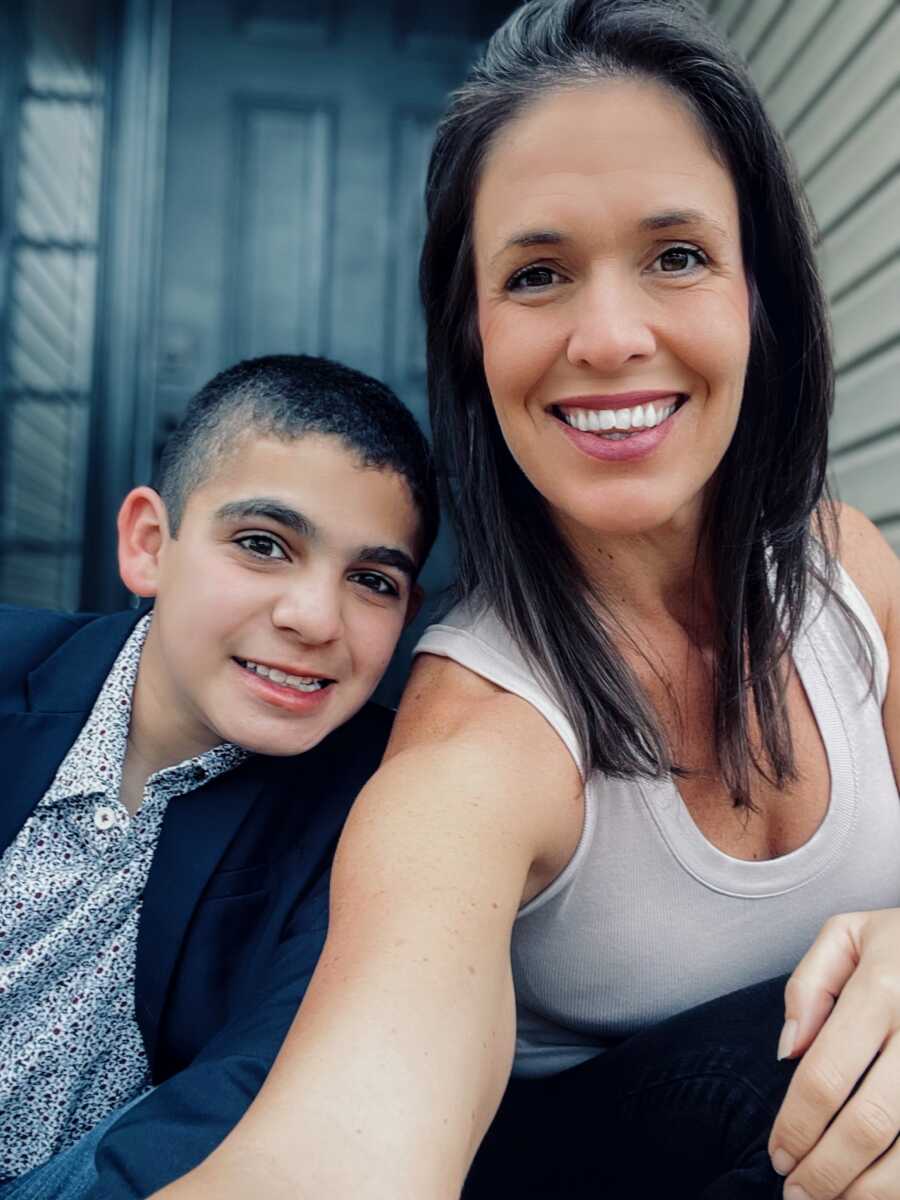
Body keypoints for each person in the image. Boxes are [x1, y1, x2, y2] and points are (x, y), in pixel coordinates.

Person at [152, 2, 900, 1198]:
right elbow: (346, 1141)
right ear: (473, 331)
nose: (609, 338)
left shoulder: (849, 573)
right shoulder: (479, 741)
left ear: (758, 292)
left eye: (677, 255)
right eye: (539, 273)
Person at [0, 353, 437, 1200]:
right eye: (262, 545)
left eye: (371, 581)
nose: (313, 619)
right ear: (148, 546)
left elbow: (255, 1091)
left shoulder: (378, 806)